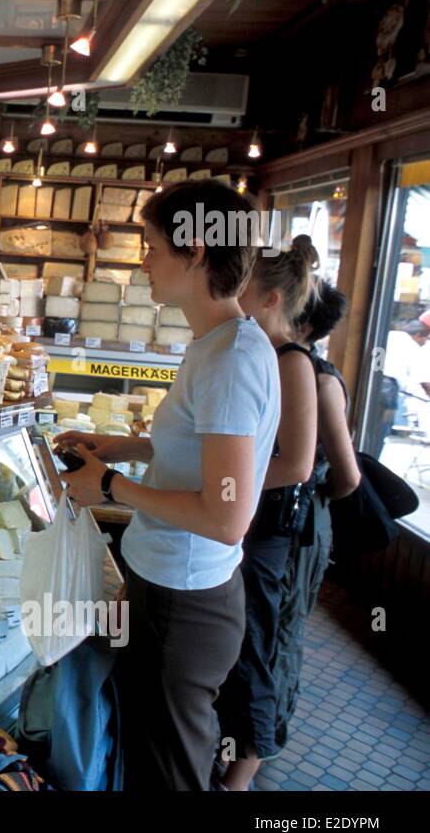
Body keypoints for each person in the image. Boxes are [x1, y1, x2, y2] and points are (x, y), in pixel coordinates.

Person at [56, 180, 281, 791]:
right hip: (175, 588)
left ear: (198, 251)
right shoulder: (218, 345)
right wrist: (125, 449)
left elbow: (225, 514)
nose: (144, 261)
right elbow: (204, 452)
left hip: (185, 603)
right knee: (155, 757)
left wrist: (110, 487)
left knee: (170, 774)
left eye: (152, 246)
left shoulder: (231, 360)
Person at [214, 234, 319, 791]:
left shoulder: (291, 362)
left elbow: (297, 464)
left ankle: (243, 773)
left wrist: (228, 482)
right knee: (236, 643)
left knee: (252, 643)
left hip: (267, 527)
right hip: (247, 517)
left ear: (271, 299)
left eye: (243, 288)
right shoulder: (255, 351)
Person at [272, 275, 361, 751]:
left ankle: (261, 747)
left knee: (284, 630)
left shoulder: (318, 379)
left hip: (304, 523)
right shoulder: (288, 366)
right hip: (286, 519)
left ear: (301, 322)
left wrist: (308, 490)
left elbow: (348, 477)